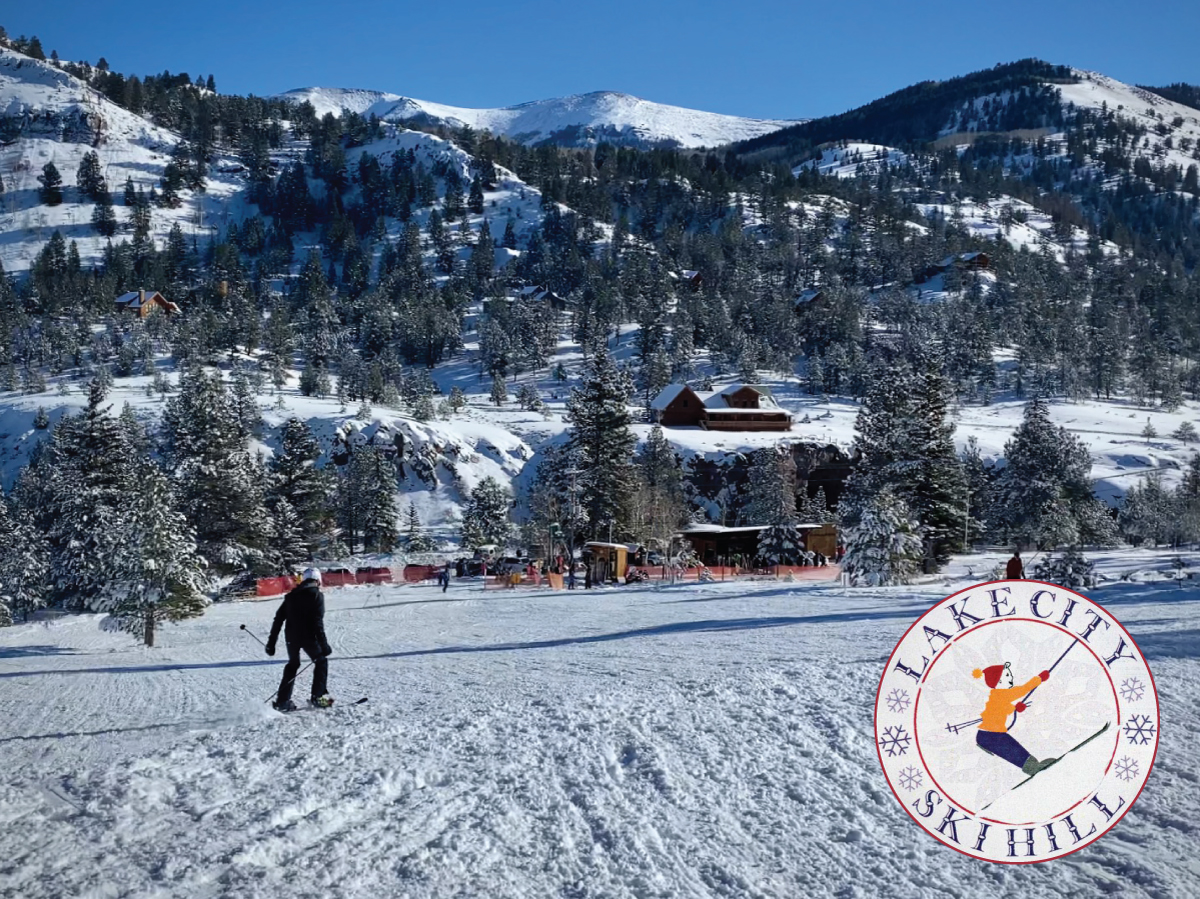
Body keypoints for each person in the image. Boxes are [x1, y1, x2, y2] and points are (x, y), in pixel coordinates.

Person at [266, 568, 332, 712]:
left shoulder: (291, 596)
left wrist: (271, 644)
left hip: (292, 637)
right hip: (309, 637)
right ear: (318, 580)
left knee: (293, 665)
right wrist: (324, 645)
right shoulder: (317, 596)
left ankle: (282, 702)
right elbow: (317, 622)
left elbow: (278, 619)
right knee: (321, 662)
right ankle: (318, 697)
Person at [973, 662, 1053, 775]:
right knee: (1012, 749)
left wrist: (1015, 708)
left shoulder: (997, 695)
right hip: (991, 735)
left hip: (988, 734)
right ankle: (1033, 767)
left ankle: (1033, 766)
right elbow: (1024, 689)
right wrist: (1039, 678)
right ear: (999, 682)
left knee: (1011, 749)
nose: (1010, 677)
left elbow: (999, 709)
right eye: (1006, 675)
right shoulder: (1002, 693)